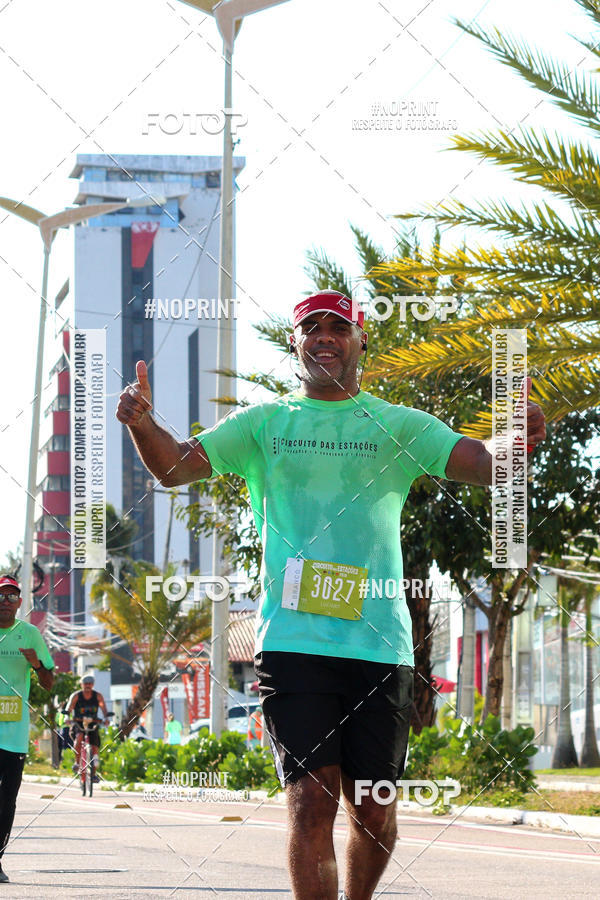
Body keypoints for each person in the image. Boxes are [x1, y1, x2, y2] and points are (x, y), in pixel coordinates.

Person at [116, 290, 546, 899]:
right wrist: (141, 424)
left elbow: (481, 463)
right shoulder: (264, 424)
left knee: (373, 810)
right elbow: (175, 467)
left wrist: (515, 443)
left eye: (337, 328)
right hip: (294, 642)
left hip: (380, 646)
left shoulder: (396, 424)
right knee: (310, 802)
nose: (323, 337)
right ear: (295, 342)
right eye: (310, 328)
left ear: (360, 340)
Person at [0, 574, 54, 884]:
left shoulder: (30, 634)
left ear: (19, 603)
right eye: (0, 596)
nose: (5, 602)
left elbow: (49, 684)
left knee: (8, 800)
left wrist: (35, 664)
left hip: (14, 735)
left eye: (11, 597)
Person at [67, 675, 109, 783]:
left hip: (92, 723)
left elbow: (104, 708)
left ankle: (94, 774)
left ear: (93, 685)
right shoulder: (76, 696)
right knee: (79, 737)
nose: (87, 686)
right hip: (78, 723)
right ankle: (77, 763)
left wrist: (106, 718)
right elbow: (69, 708)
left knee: (95, 747)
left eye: (90, 684)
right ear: (81, 685)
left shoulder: (98, 696)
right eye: (85, 684)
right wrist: (67, 717)